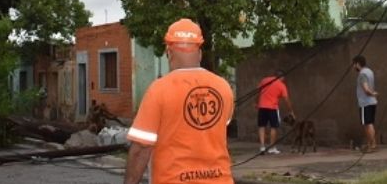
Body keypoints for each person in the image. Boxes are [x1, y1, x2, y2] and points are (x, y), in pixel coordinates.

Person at [124, 18, 235, 184]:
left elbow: (141, 148)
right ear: (199, 52)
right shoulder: (223, 87)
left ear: (169, 52)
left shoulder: (158, 90)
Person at [256, 70, 294, 154]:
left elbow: (257, 92)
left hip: (262, 107)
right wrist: (290, 111)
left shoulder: (264, 80)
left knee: (262, 126)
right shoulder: (281, 85)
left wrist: (256, 103)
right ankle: (272, 147)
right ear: (282, 77)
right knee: (274, 127)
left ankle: (262, 147)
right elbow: (286, 99)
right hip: (273, 108)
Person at [352, 55, 378, 153]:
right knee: (370, 123)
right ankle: (372, 144)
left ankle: (372, 145)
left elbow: (366, 89)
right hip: (372, 102)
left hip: (365, 102)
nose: (353, 67)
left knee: (367, 124)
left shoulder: (362, 74)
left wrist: (372, 93)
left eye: (354, 64)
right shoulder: (370, 71)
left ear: (358, 64)